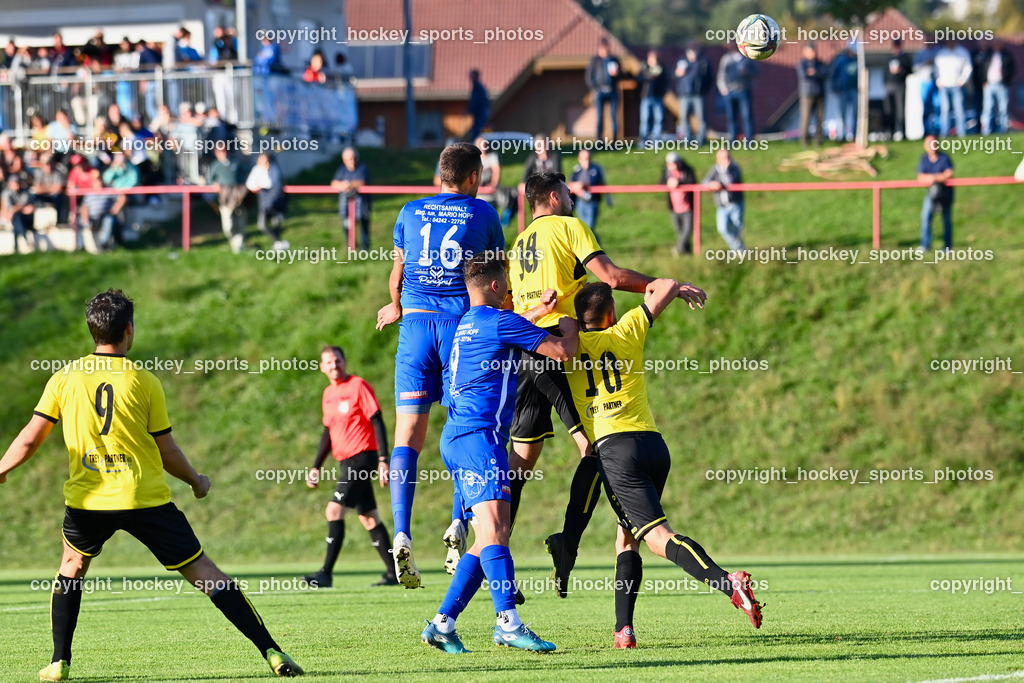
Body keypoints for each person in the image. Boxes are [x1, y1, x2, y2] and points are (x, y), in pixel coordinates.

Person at [0, 290, 303, 680]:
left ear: (93, 330)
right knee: (206, 574)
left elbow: (29, 438)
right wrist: (197, 481)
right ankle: (273, 652)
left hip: (88, 501)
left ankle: (59, 662)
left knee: (71, 567)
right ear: (128, 330)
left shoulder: (65, 377)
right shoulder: (144, 381)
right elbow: (168, 452)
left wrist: (3, 467)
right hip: (143, 498)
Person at [508, 172, 706, 598]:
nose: (573, 198)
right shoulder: (570, 227)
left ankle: (493, 552)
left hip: (527, 353)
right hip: (563, 347)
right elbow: (611, 277)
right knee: (596, 446)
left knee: (519, 467)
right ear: (554, 196)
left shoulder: (519, 243)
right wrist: (656, 286)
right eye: (566, 192)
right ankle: (568, 542)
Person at [564, 280, 762, 649]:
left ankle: (727, 583)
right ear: (611, 313)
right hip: (653, 445)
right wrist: (671, 290)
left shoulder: (568, 349)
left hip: (614, 451)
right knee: (628, 536)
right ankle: (624, 630)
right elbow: (666, 285)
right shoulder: (627, 329)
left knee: (658, 538)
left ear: (579, 319)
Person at [420, 253, 577, 654]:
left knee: (489, 536)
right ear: (496, 286)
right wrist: (569, 319)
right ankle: (508, 622)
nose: (511, 287)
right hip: (479, 436)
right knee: (494, 533)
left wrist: (536, 310)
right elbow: (562, 352)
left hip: (458, 436)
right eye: (506, 280)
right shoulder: (501, 322)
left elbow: (507, 324)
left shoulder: (468, 324)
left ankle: (442, 623)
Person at [375, 142, 506, 588]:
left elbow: (397, 273)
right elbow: (495, 278)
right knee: (463, 426)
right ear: (473, 178)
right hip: (458, 330)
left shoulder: (410, 211)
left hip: (414, 328)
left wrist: (395, 305)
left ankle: (401, 531)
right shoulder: (484, 214)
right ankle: (457, 523)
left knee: (407, 436)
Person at [301, 346, 398, 588]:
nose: (334, 365)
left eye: (337, 360)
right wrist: (316, 467)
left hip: (363, 457)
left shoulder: (358, 386)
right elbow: (328, 432)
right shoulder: (328, 394)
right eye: (329, 362)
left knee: (334, 510)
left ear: (345, 361)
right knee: (369, 517)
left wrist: (384, 460)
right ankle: (394, 572)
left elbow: (377, 421)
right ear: (322, 367)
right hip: (345, 461)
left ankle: (325, 573)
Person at [208, 143, 248, 253]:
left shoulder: (236, 163)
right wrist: (215, 185)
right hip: (225, 199)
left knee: (240, 222)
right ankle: (234, 242)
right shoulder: (215, 166)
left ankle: (239, 246)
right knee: (228, 226)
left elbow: (247, 174)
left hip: (239, 198)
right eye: (220, 152)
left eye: (224, 151)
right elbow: (210, 181)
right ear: (216, 154)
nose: (223, 154)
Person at [703, 149, 745, 252]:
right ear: (718, 159)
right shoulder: (714, 170)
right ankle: (738, 249)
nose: (726, 160)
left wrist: (719, 182)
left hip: (736, 204)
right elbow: (705, 181)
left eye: (728, 157)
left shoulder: (735, 168)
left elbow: (731, 180)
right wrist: (710, 184)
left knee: (737, 228)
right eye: (723, 158)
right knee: (723, 229)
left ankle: (736, 251)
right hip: (722, 206)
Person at [918, 135, 954, 252]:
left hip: (945, 193)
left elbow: (949, 173)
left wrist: (934, 178)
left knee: (946, 220)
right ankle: (925, 245)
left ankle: (947, 247)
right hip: (932, 193)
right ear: (925, 146)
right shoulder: (924, 159)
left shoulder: (944, 158)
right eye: (929, 144)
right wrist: (937, 177)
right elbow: (920, 177)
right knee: (926, 217)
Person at [246, 153, 289, 251]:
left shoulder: (275, 168)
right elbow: (250, 184)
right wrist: (258, 185)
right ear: (258, 162)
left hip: (275, 200)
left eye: (267, 161)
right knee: (262, 225)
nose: (266, 163)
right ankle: (278, 242)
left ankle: (277, 245)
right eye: (263, 161)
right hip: (265, 201)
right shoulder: (256, 170)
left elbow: (274, 183)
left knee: (276, 223)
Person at [331, 147, 370, 249]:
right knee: (346, 225)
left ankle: (364, 249)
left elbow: (362, 181)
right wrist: (344, 185)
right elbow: (334, 183)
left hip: (362, 204)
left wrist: (349, 184)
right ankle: (351, 246)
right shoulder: (341, 170)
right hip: (346, 205)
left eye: (353, 158)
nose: (351, 161)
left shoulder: (362, 168)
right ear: (344, 160)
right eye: (349, 159)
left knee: (364, 225)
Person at [674, 43, 711, 147]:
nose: (692, 55)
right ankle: (687, 140)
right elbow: (674, 75)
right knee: (684, 119)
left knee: (701, 118)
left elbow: (709, 78)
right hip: (684, 95)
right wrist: (678, 73)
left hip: (698, 95)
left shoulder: (703, 62)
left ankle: (701, 140)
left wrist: (704, 91)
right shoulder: (681, 61)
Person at [932, 39, 972, 137]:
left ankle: (962, 133)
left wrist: (963, 80)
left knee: (959, 110)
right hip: (944, 85)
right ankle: (944, 133)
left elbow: (968, 67)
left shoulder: (962, 52)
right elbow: (935, 68)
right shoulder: (941, 53)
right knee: (945, 110)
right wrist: (938, 80)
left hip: (957, 85)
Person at [716, 46, 757, 142]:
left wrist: (747, 72)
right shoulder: (726, 59)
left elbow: (756, 72)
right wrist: (722, 88)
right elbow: (721, 75)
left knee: (747, 116)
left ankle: (749, 140)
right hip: (730, 92)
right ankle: (732, 139)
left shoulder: (747, 58)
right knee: (731, 117)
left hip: (744, 90)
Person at [568, 149, 609, 242]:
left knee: (589, 228)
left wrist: (581, 185)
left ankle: (597, 250)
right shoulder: (577, 169)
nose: (586, 160)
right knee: (584, 228)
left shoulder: (596, 169)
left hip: (592, 203)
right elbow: (570, 183)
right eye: (584, 158)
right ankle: (597, 249)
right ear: (579, 159)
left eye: (588, 158)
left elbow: (595, 182)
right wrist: (577, 187)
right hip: (580, 203)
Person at [586, 39, 622, 141]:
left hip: (612, 90)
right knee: (599, 117)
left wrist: (617, 74)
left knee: (614, 116)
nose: (605, 50)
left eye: (607, 48)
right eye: (603, 48)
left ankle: (615, 140)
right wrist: (595, 87)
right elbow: (589, 76)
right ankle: (599, 140)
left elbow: (621, 75)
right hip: (599, 91)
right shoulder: (595, 61)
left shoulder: (614, 59)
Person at [661, 152, 696, 255]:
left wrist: (679, 183)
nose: (673, 166)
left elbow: (692, 182)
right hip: (674, 208)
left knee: (687, 232)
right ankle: (687, 254)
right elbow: (660, 183)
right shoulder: (666, 172)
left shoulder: (688, 170)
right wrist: (668, 183)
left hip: (688, 208)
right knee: (680, 232)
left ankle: (678, 249)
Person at [980, 40, 1016, 135]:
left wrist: (1005, 75)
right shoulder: (988, 55)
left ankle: (1003, 130)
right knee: (988, 108)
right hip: (989, 85)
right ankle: (986, 131)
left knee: (1003, 108)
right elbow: (982, 68)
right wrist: (983, 81)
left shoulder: (1007, 56)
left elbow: (1012, 70)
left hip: (1002, 85)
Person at [797, 42, 827, 147]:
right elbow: (804, 75)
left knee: (820, 118)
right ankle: (805, 140)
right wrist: (816, 74)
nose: (813, 53)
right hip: (807, 94)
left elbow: (825, 73)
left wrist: (815, 73)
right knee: (806, 118)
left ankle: (818, 139)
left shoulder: (820, 63)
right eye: (810, 51)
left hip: (820, 93)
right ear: (805, 52)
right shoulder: (802, 64)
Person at [883, 39, 912, 141]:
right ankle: (889, 134)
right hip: (889, 86)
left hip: (900, 85)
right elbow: (885, 72)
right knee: (889, 111)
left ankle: (903, 133)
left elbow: (910, 70)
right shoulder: (889, 58)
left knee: (901, 111)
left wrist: (901, 71)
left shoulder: (905, 58)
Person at [637, 50, 668, 145]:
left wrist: (662, 93)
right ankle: (643, 141)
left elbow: (665, 82)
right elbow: (638, 79)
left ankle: (656, 141)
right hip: (646, 97)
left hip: (657, 97)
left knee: (659, 119)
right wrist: (647, 77)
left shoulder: (661, 69)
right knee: (645, 119)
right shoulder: (644, 68)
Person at [830, 42, 858, 141]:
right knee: (842, 114)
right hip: (843, 91)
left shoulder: (859, 60)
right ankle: (841, 135)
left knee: (856, 114)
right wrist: (834, 88)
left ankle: (855, 135)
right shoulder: (841, 60)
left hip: (855, 90)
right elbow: (834, 74)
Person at [1, 174, 36, 253]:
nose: (17, 185)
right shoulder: (6, 193)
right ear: (10, 184)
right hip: (12, 217)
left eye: (18, 182)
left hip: (24, 218)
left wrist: (15, 210)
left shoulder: (24, 191)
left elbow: (21, 205)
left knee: (17, 218)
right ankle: (24, 239)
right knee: (17, 217)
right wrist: (19, 209)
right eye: (15, 183)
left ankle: (16, 247)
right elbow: (9, 209)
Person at [33, 154, 69, 225]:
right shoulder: (39, 172)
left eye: (49, 163)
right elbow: (37, 189)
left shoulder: (58, 172)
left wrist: (44, 188)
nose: (48, 166)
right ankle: (35, 222)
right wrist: (51, 188)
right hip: (45, 196)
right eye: (46, 164)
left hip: (55, 196)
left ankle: (60, 221)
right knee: (32, 197)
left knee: (60, 197)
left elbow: (59, 189)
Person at [474, 137, 501, 208]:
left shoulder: (492, 157)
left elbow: (496, 172)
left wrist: (492, 185)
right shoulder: (473, 159)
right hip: (477, 196)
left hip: (490, 196)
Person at [466, 70, 489, 140]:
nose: (470, 78)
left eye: (471, 76)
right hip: (480, 113)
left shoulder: (477, 87)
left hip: (480, 114)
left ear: (475, 76)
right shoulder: (479, 87)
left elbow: (475, 101)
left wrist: (469, 110)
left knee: (477, 134)